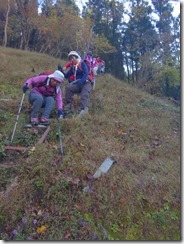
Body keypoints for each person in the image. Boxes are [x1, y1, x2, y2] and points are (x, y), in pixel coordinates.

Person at [63, 51, 92, 117]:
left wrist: (81, 82)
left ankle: (83, 110)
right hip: (78, 83)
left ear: (76, 57)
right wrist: (61, 71)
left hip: (86, 83)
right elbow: (67, 75)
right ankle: (67, 108)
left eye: (73, 58)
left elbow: (86, 73)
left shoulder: (82, 63)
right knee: (69, 89)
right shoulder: (73, 67)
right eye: (70, 59)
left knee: (84, 95)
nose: (72, 60)